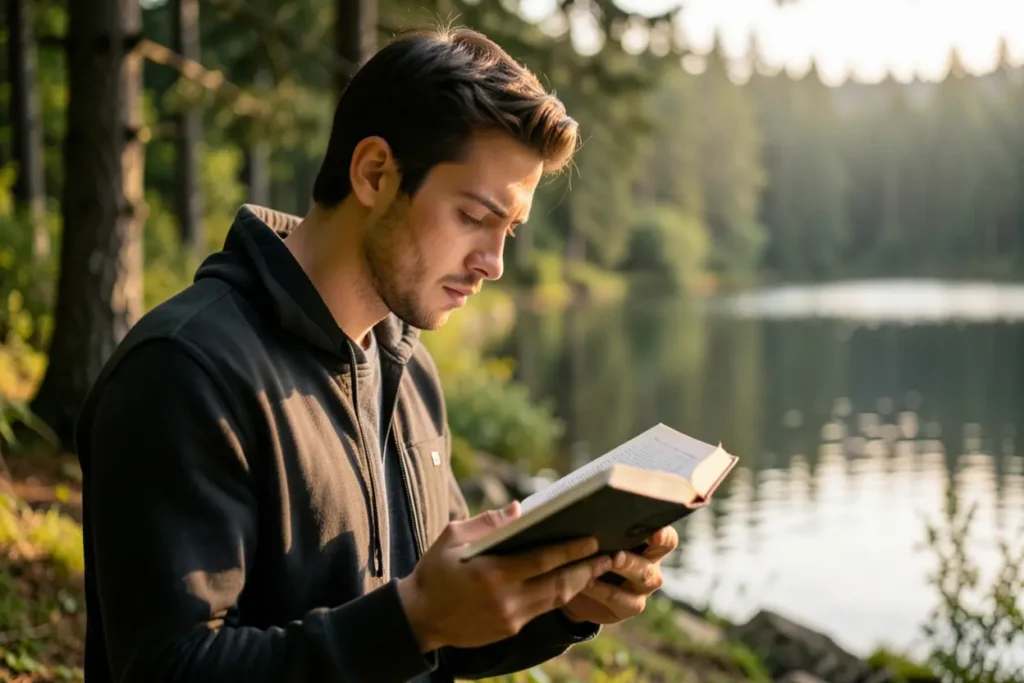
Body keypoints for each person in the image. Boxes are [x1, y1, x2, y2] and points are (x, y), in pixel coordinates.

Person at [75, 26, 679, 683]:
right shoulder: (184, 370)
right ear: (374, 173)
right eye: (475, 216)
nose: (494, 263)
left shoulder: (409, 368)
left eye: (509, 229)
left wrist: (564, 603)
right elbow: (170, 669)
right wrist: (414, 617)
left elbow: (437, 638)